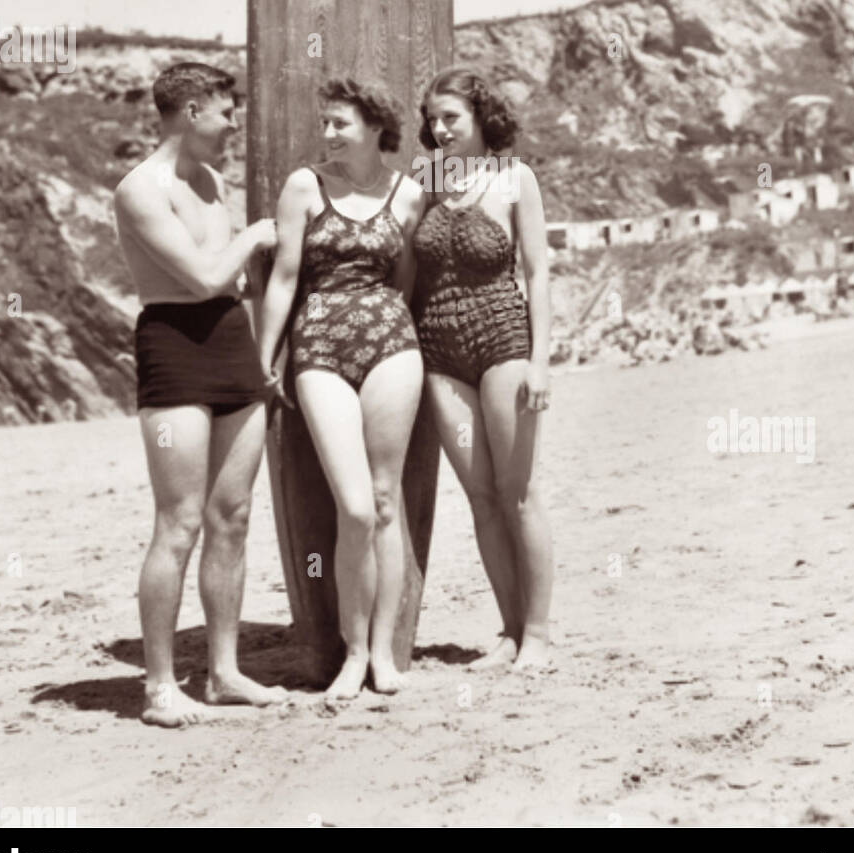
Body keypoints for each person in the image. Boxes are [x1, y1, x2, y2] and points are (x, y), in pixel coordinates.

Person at [114, 62, 288, 726]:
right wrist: (255, 233)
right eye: (224, 112)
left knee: (232, 517)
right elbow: (204, 276)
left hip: (230, 347)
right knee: (179, 522)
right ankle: (159, 686)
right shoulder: (139, 190)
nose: (233, 125)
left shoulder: (213, 182)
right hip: (174, 349)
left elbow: (232, 288)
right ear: (189, 111)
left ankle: (222, 672)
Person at [256, 77, 426, 701]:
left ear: (376, 127)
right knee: (353, 506)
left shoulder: (407, 194)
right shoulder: (306, 185)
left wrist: (392, 332)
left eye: (339, 124)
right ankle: (351, 653)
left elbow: (404, 279)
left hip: (391, 343)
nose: (327, 134)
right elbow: (285, 277)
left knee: (386, 501)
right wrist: (265, 357)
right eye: (325, 123)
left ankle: (381, 653)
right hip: (320, 344)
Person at [412, 67, 554, 671]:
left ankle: (541, 636)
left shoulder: (513, 177)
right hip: (438, 350)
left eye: (452, 118)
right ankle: (508, 630)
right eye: (433, 119)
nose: (440, 129)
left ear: (479, 118)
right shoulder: (424, 180)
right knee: (481, 499)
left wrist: (540, 362)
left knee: (516, 493)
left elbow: (538, 270)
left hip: (502, 339)